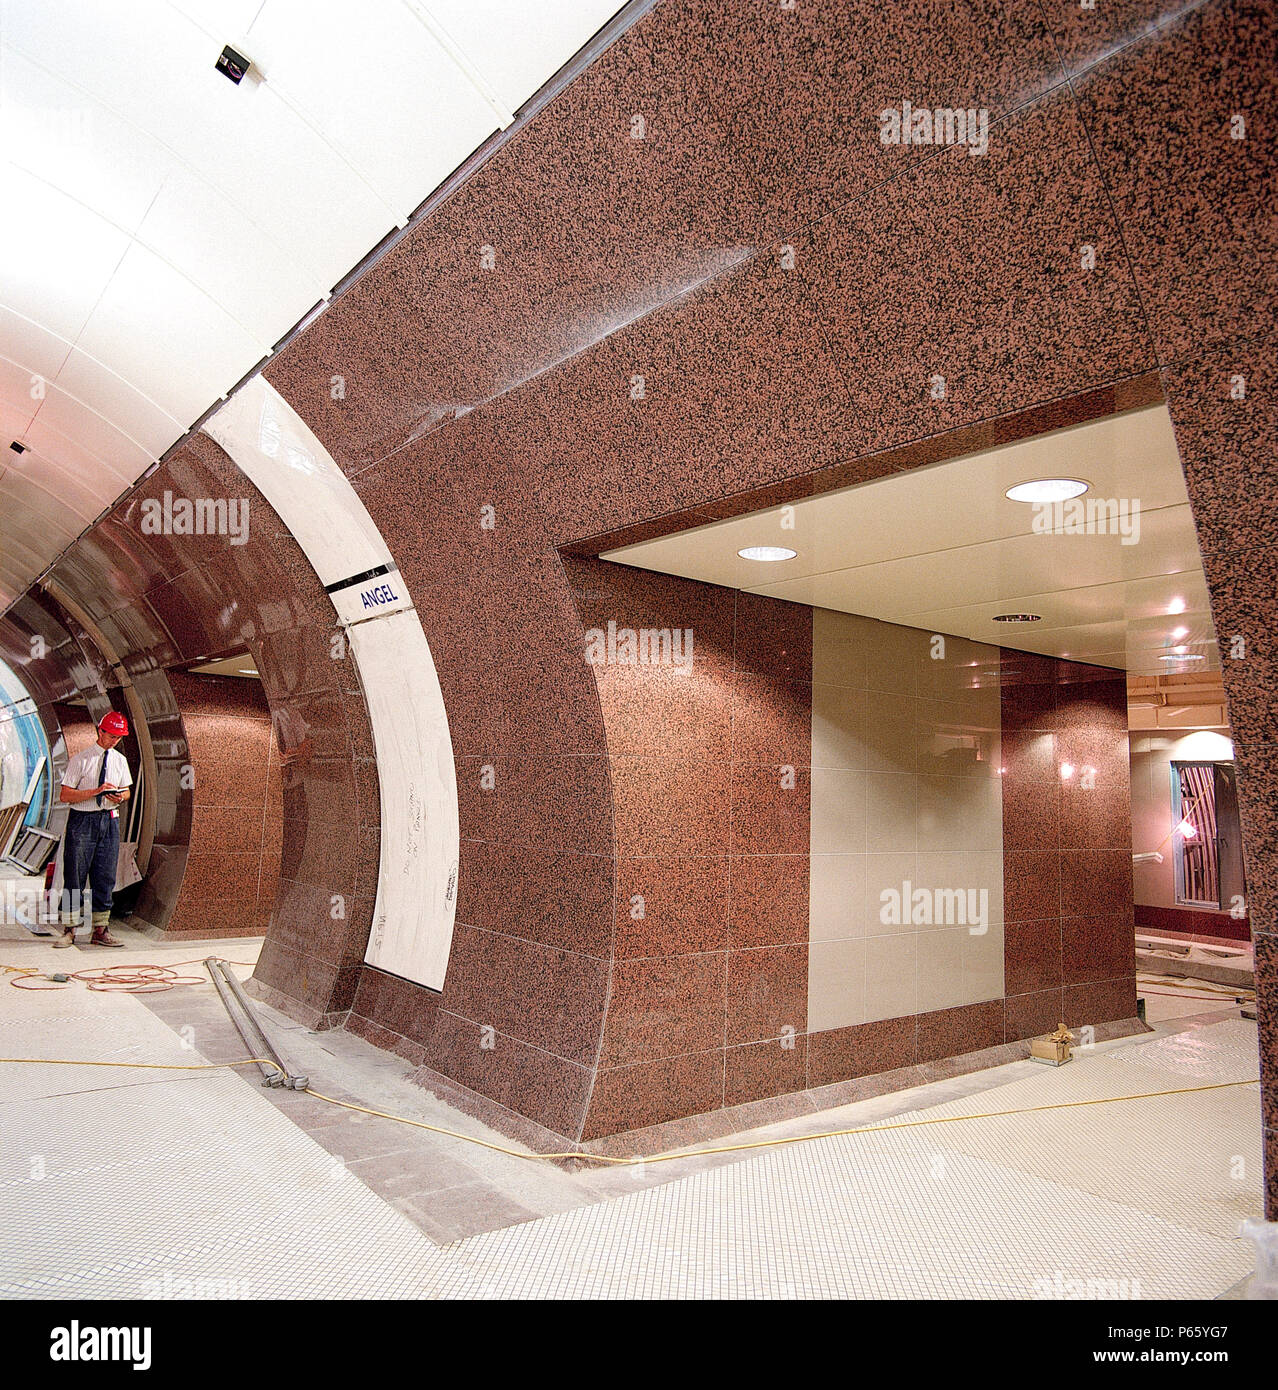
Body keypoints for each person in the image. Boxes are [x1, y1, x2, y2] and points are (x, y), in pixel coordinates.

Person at [53, 711, 133, 948]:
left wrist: (119, 796)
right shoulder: (81, 760)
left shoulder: (120, 761)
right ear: (100, 731)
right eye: (111, 736)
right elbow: (65, 794)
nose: (114, 741)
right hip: (83, 821)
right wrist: (95, 791)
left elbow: (127, 790)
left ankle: (101, 929)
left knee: (105, 875)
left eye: (119, 737)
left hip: (109, 821)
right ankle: (69, 929)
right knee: (75, 874)